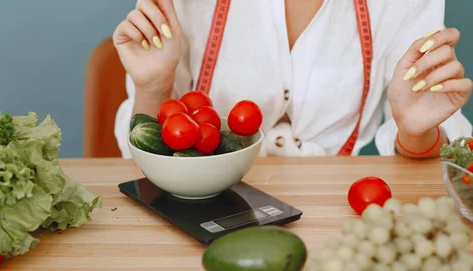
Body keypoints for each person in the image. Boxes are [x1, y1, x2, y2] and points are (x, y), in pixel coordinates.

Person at [111, 0, 473, 159]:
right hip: (197, 209)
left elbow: (438, 139)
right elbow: (143, 154)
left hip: (337, 213)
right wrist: (153, 89)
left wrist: (415, 133)